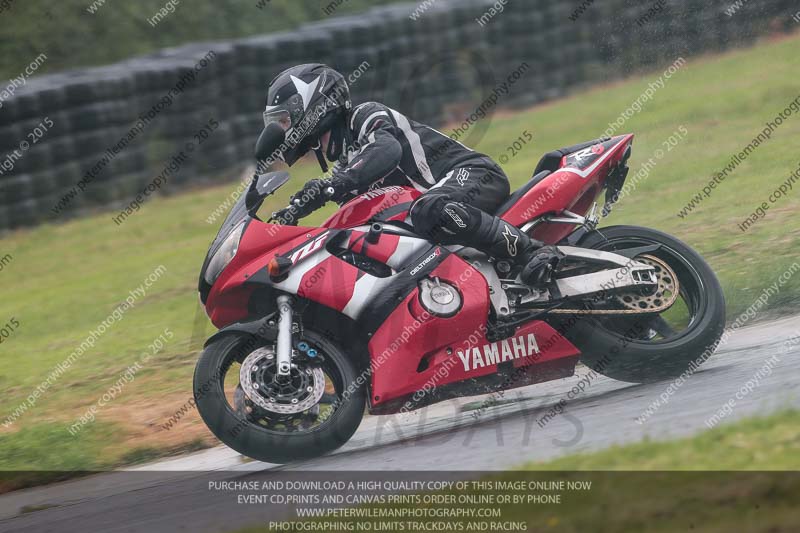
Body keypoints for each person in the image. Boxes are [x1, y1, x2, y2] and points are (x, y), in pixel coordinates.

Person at [260, 63, 561, 285]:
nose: (282, 129)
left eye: (285, 120)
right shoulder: (344, 165)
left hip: (474, 174)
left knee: (427, 208)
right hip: (438, 208)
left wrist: (331, 186)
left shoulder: (365, 116)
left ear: (312, 105)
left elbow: (386, 149)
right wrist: (297, 209)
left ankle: (530, 251)